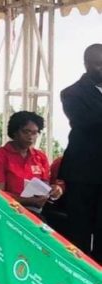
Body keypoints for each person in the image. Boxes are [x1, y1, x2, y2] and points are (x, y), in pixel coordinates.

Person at [58, 44, 102, 261]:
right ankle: (77, 276)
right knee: (80, 232)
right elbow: (85, 121)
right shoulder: (71, 93)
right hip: (83, 173)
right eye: (99, 64)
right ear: (86, 64)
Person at [0, 111, 62, 212]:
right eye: (26, 132)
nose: (30, 137)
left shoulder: (40, 157)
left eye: (34, 133)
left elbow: (46, 186)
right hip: (8, 212)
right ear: (15, 132)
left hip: (36, 212)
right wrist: (27, 201)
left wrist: (56, 190)